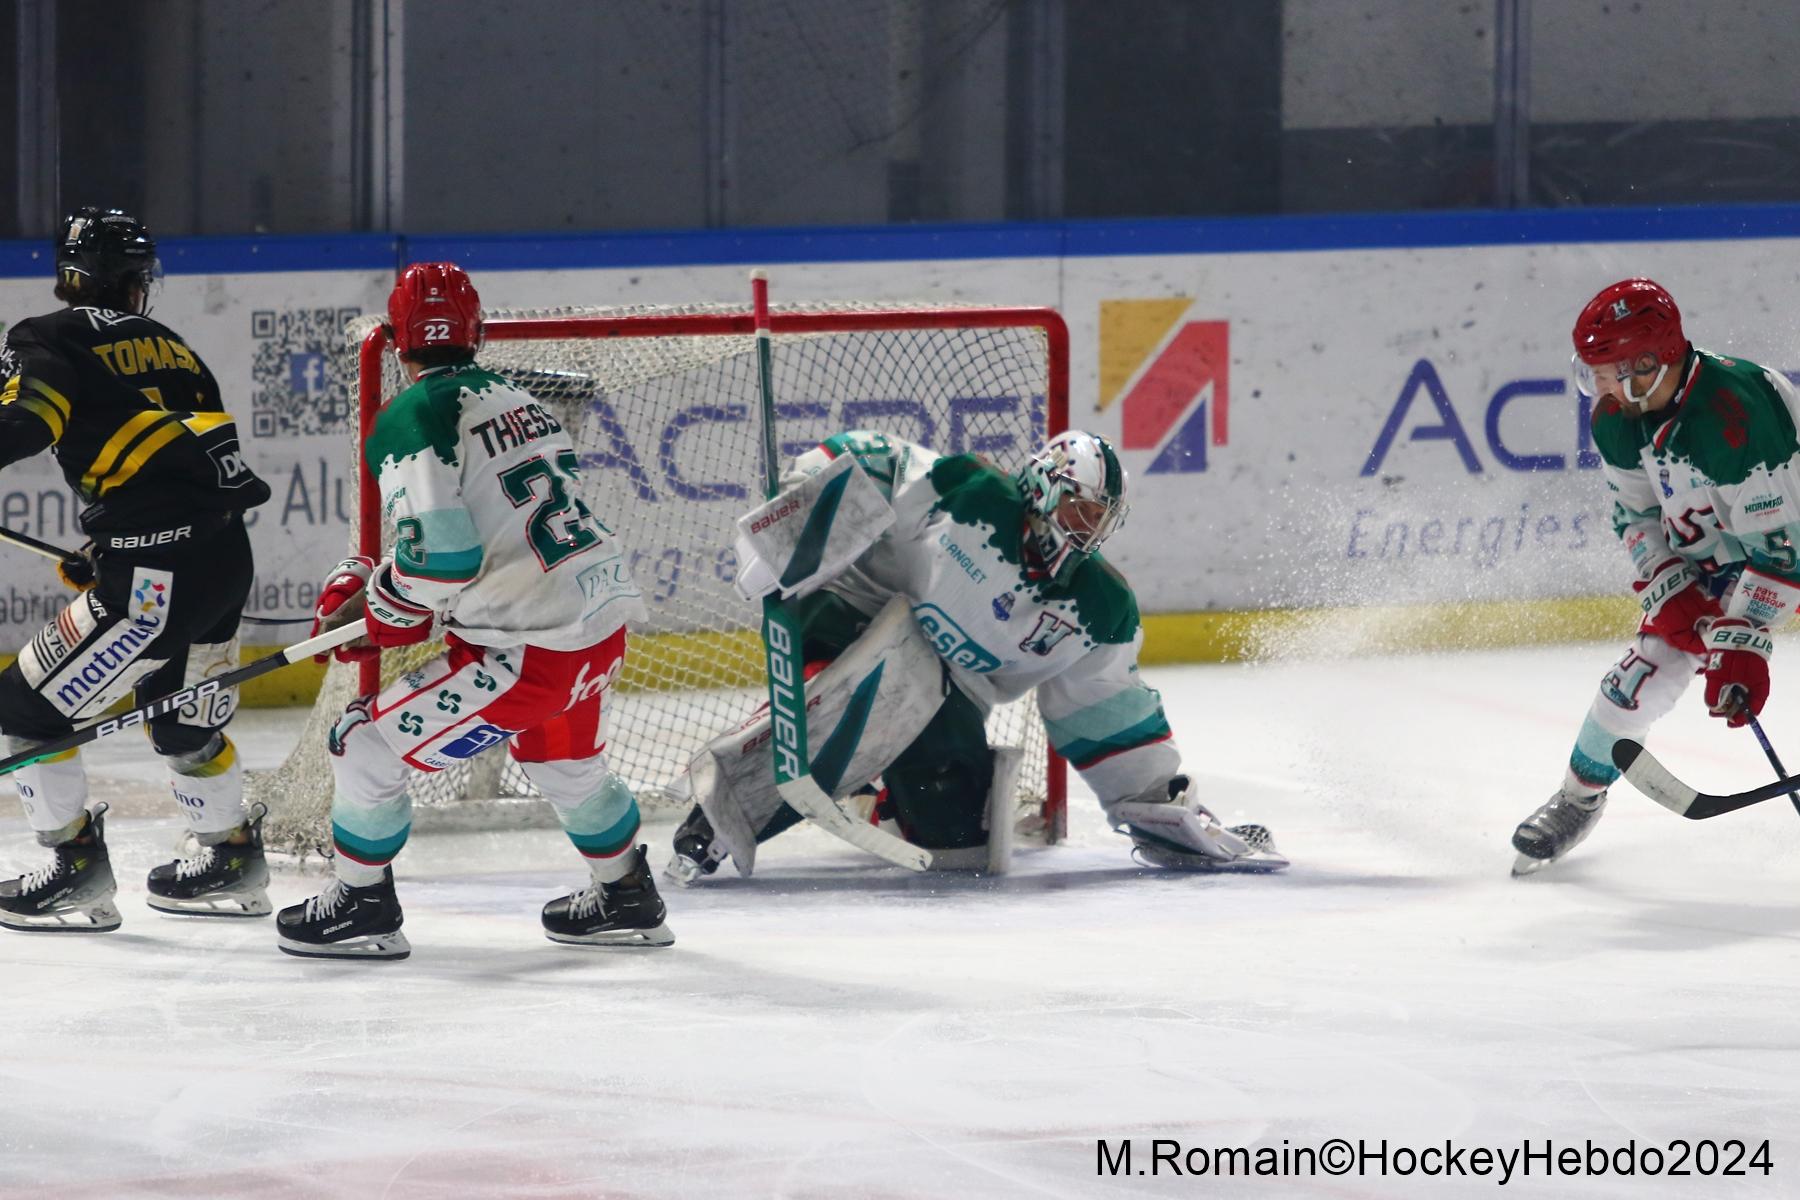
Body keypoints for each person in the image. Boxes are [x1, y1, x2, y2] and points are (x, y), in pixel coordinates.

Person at [665, 428, 1287, 882]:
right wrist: (803, 505)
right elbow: (870, 458)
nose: (1087, 528)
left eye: (1100, 517)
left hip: (943, 695)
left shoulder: (1096, 608)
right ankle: (718, 817)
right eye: (1078, 506)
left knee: (960, 845)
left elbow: (1107, 713)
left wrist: (1159, 803)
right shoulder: (965, 492)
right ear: (1042, 486)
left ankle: (880, 793)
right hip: (851, 615)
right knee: (860, 694)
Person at [277, 261, 669, 960]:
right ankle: (626, 894)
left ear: (398, 341)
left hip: (530, 650)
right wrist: (393, 597)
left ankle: (363, 905)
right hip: (597, 625)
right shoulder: (523, 398)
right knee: (564, 763)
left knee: (363, 745)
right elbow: (487, 540)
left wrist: (379, 604)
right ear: (478, 332)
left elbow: (444, 560)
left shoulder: (414, 414)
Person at [0, 207, 274, 931]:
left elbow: (28, 422)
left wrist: (132, 545)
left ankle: (71, 867)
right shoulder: (176, 348)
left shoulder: (46, 335)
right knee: (185, 724)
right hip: (222, 561)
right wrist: (111, 543)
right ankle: (229, 854)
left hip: (155, 577)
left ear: (70, 273)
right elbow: (187, 470)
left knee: (24, 709)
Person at [1512, 278, 1800, 876]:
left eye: (1609, 369)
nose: (1599, 385)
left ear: (1649, 362)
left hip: (1786, 540)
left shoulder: (1734, 416)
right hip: (1720, 560)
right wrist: (1673, 588)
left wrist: (1741, 645)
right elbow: (1636, 514)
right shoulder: (1620, 418)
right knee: (1635, 681)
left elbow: (1782, 555)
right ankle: (1576, 798)